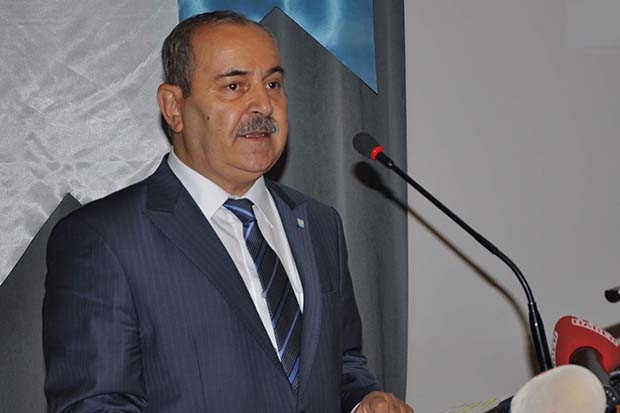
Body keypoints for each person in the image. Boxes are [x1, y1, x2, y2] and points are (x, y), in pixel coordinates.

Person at [42, 10, 413, 413]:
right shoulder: (104, 238)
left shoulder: (319, 223)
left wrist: (364, 401)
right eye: (234, 86)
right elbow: (96, 405)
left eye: (273, 84)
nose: (264, 104)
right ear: (174, 107)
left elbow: (342, 363)